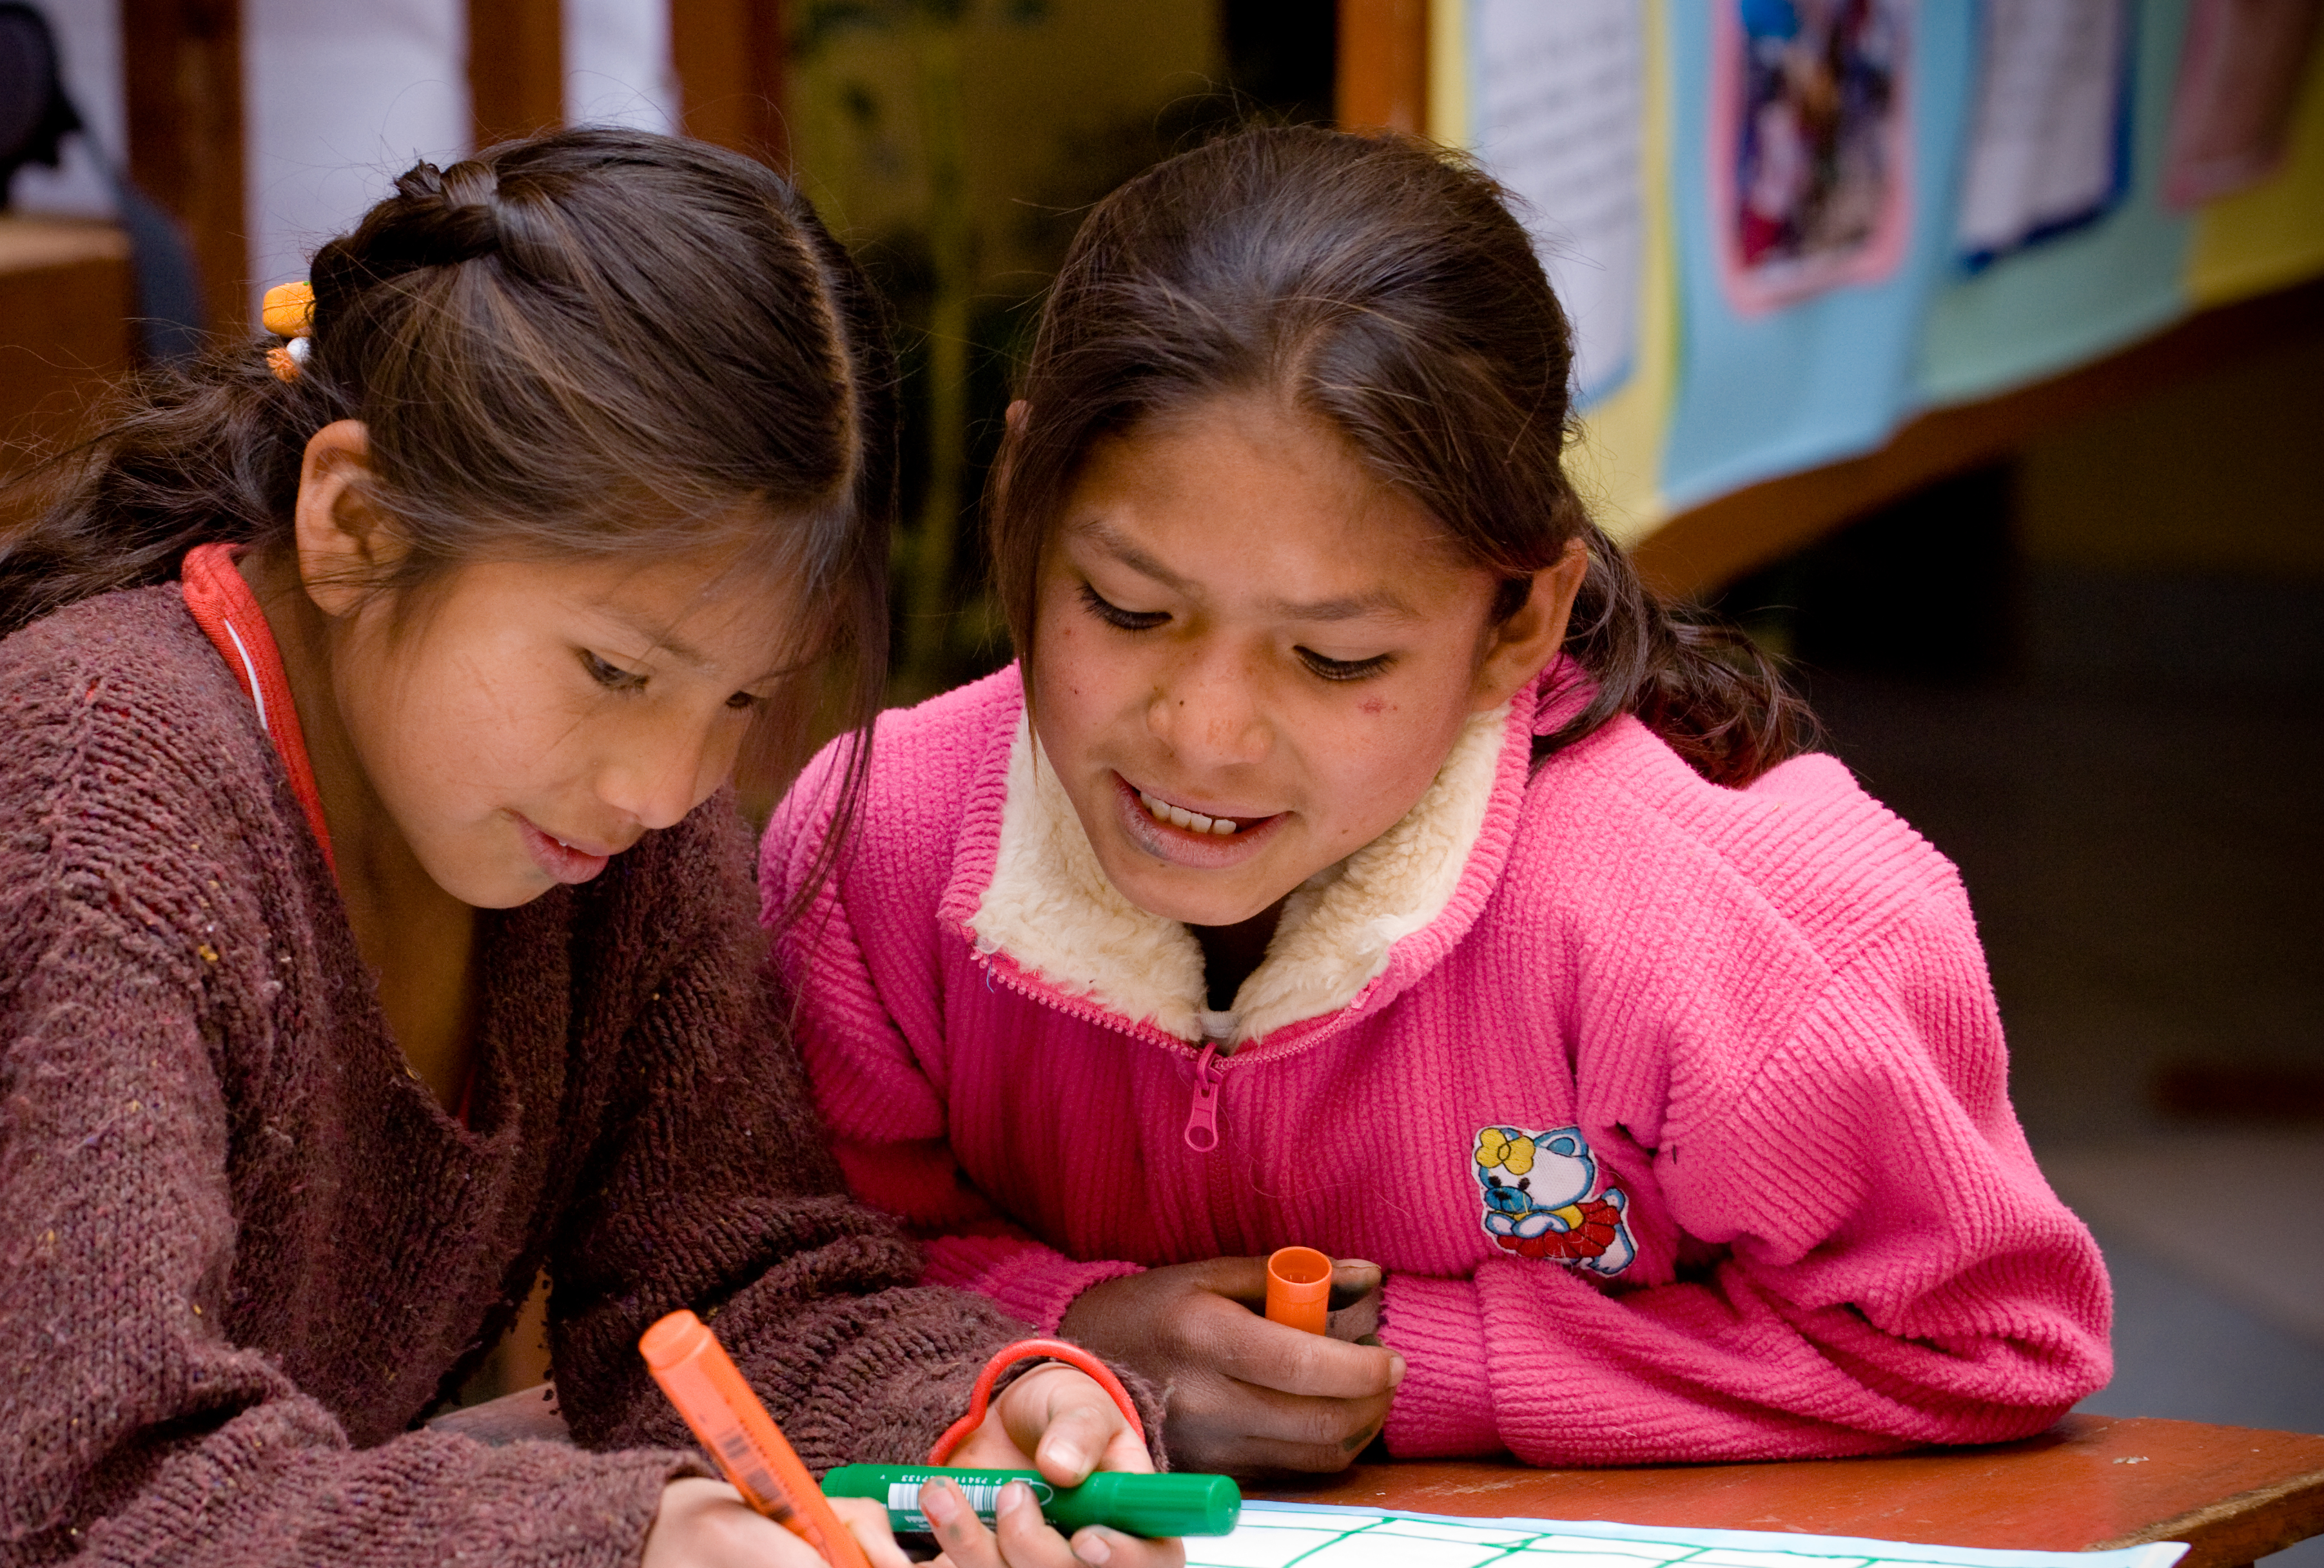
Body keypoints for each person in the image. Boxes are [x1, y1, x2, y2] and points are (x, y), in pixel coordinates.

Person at [0, 130, 1180, 1568]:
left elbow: (727, 1286)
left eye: (739, 693)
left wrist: (975, 1410)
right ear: (354, 526)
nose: (669, 776)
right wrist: (588, 1562)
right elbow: (106, 1490)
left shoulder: (609, 836)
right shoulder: (92, 812)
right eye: (611, 670)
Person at [759, 126, 2111, 1478]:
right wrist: (1081, 1331)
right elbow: (800, 1269)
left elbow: (1982, 1334)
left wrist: (1429, 1362)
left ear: (1520, 610)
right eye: (1128, 606)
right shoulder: (878, 849)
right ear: (1020, 499)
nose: (1202, 733)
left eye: (1333, 656)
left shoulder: (1734, 939)